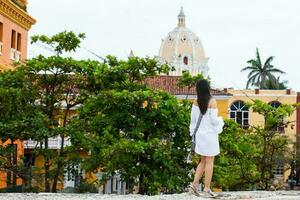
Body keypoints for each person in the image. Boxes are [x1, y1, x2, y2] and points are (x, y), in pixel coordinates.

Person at [188, 79, 224, 197]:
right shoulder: (212, 101)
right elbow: (214, 121)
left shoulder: (195, 101)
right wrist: (221, 121)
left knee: (203, 161)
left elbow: (193, 120)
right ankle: (207, 189)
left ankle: (194, 186)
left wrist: (192, 132)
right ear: (207, 88)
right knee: (210, 161)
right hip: (210, 135)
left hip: (200, 135)